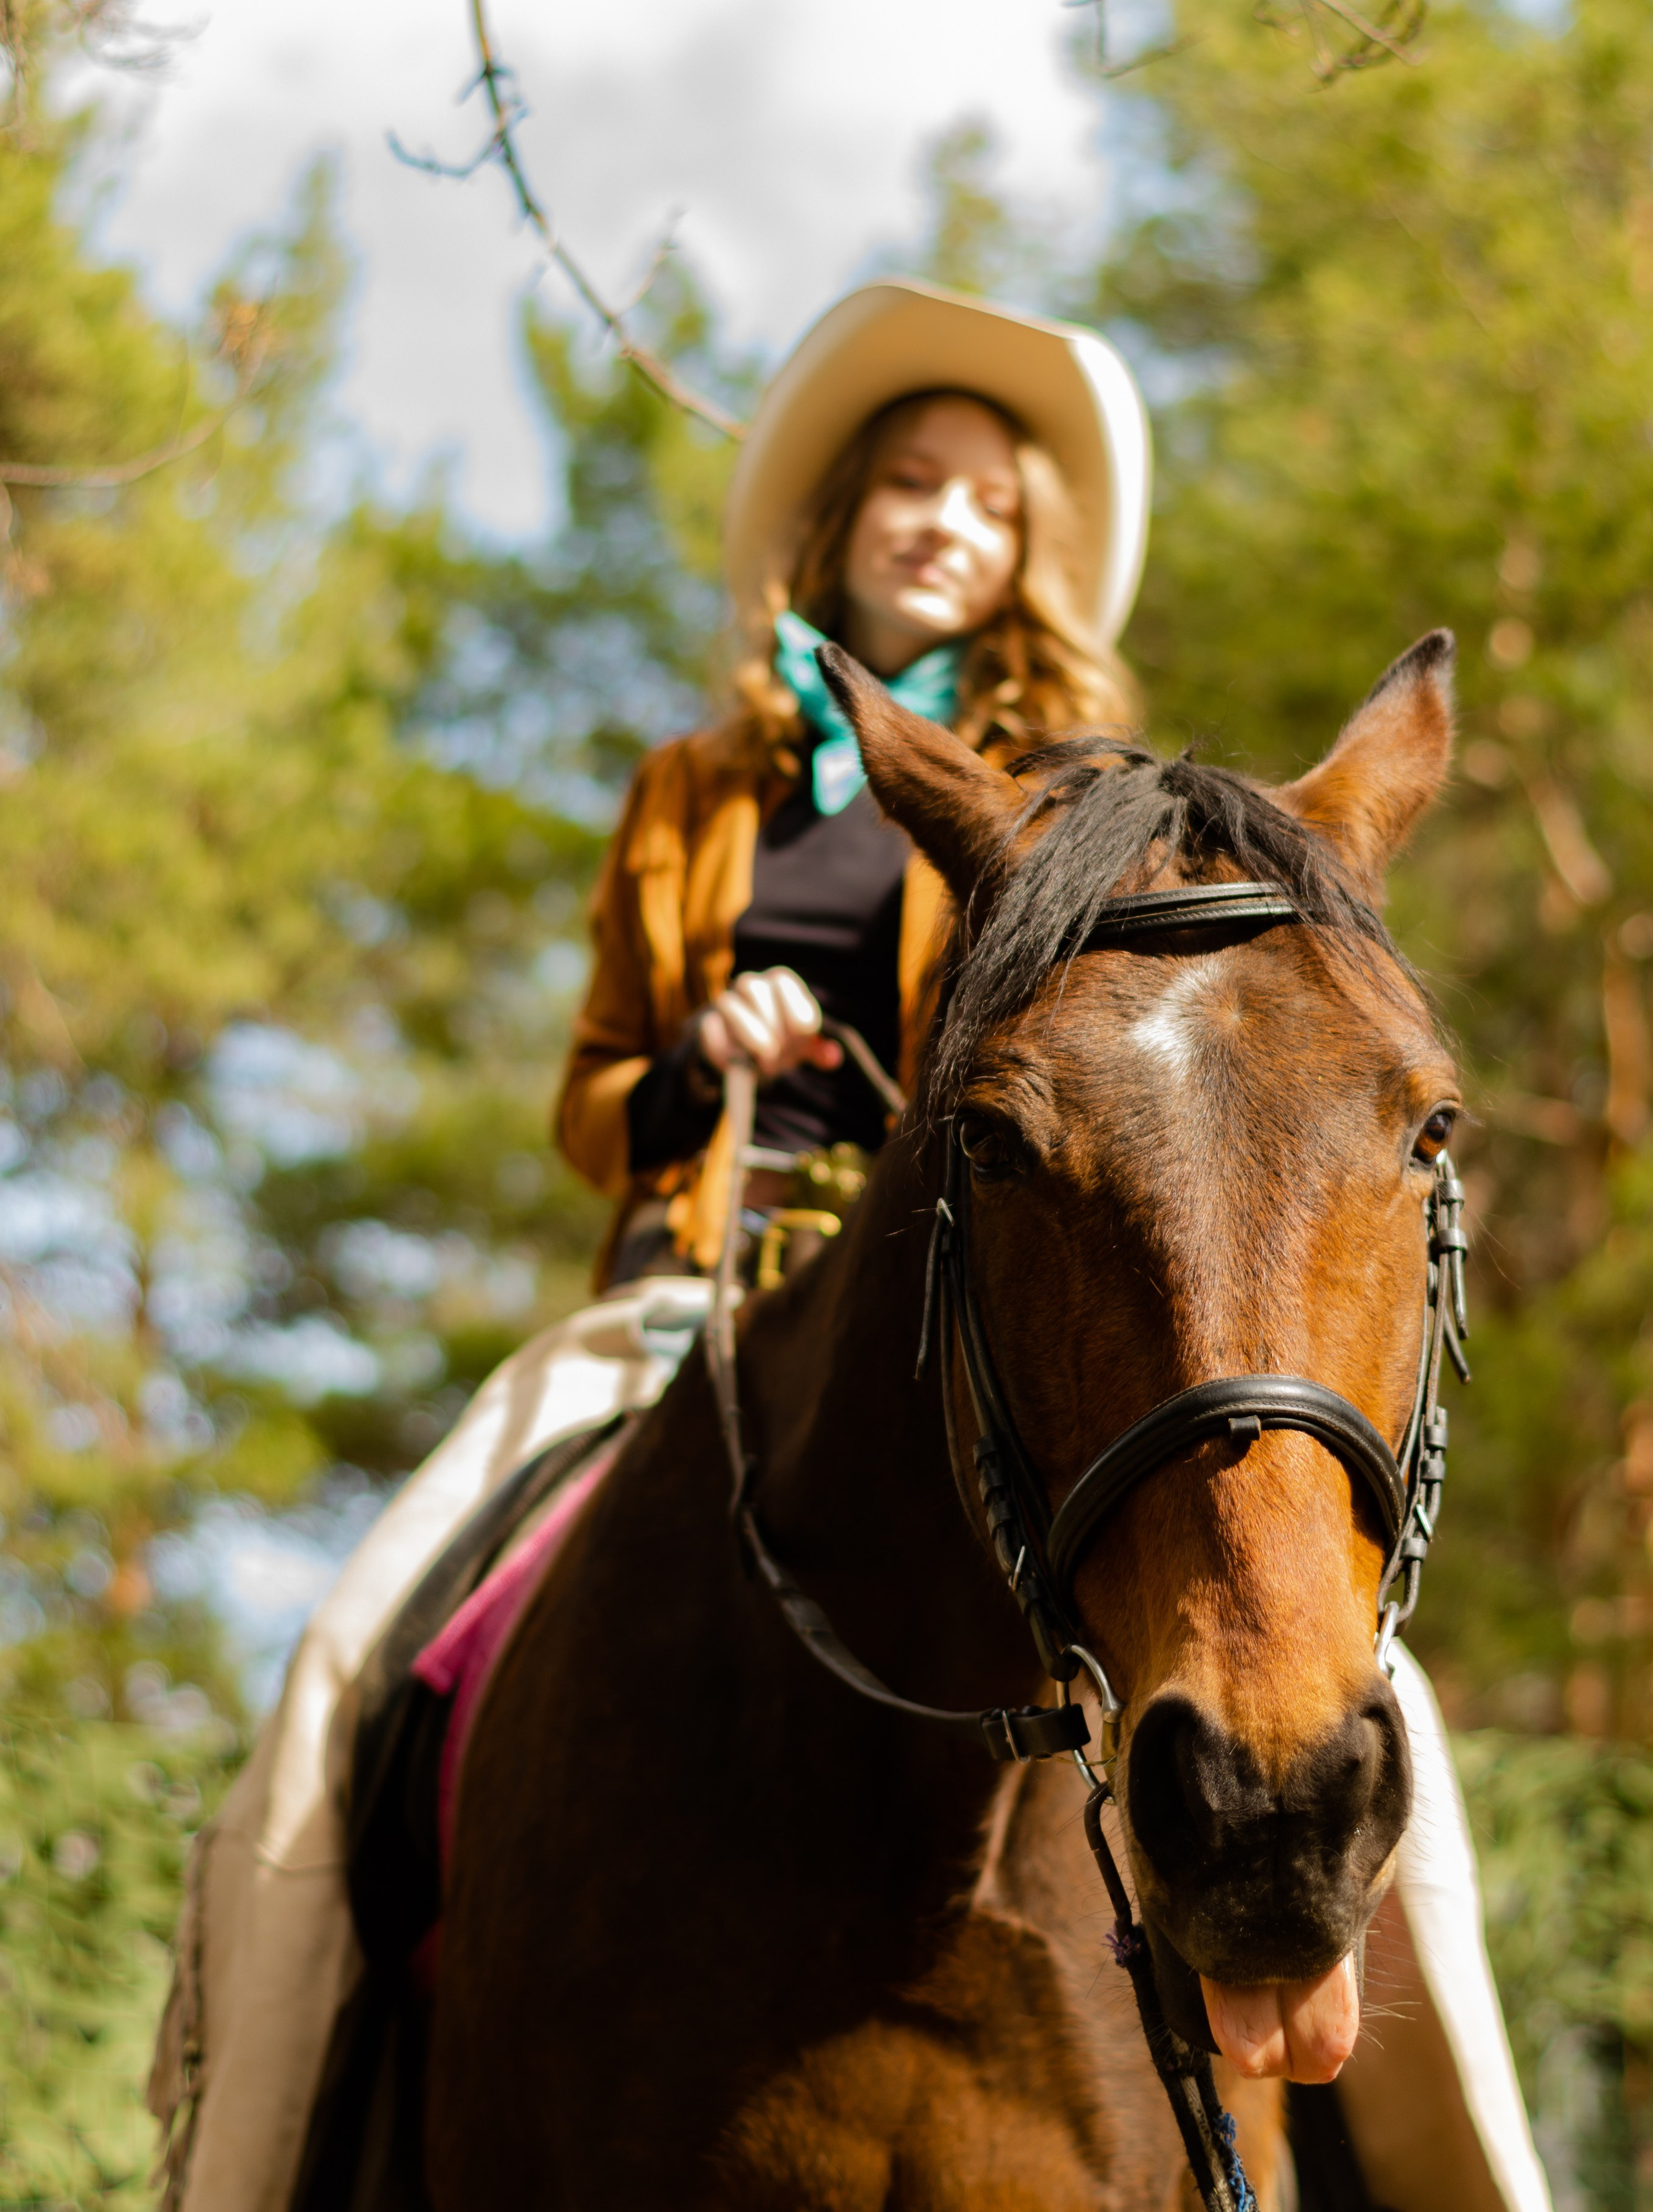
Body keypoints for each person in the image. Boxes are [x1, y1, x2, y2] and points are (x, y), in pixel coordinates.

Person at [149, 280, 1549, 2212]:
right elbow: (591, 1086)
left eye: (987, 503)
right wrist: (688, 1063)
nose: (945, 523)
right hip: (686, 1291)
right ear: (843, 519)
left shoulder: (1084, 802)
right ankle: (249, 2168)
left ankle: (1474, 2181)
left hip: (986, 1303)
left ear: (1024, 553)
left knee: (1383, 1727)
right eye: (912, 485)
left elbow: (1157, 1089)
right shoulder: (692, 793)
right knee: (340, 1675)